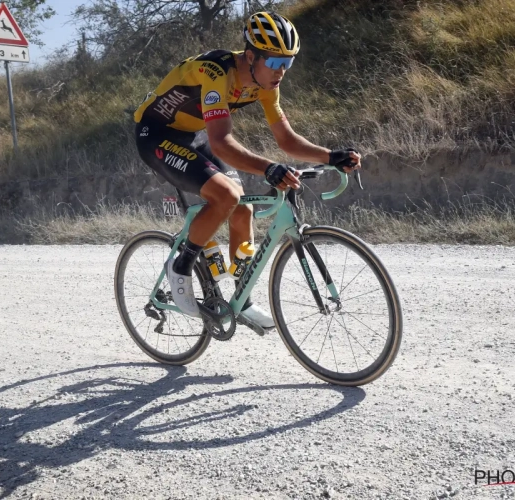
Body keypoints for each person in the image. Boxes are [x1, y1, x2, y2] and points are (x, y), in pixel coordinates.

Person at [133, 11, 362, 327]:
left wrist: (330, 156)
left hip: (194, 134)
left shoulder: (267, 83)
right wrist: (269, 169)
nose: (281, 71)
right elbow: (223, 143)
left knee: (242, 210)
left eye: (288, 63)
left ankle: (241, 299)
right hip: (156, 134)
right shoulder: (216, 71)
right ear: (251, 56)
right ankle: (181, 266)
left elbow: (286, 140)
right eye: (274, 62)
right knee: (226, 195)